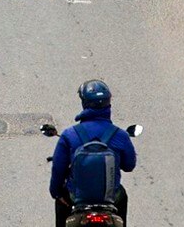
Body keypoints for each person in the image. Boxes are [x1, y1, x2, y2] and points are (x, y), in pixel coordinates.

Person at [48, 79, 137, 225]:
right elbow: (129, 165)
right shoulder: (120, 135)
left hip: (75, 197)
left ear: (84, 103)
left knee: (61, 200)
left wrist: (56, 193)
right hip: (111, 197)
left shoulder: (70, 135)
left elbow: (58, 169)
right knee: (122, 196)